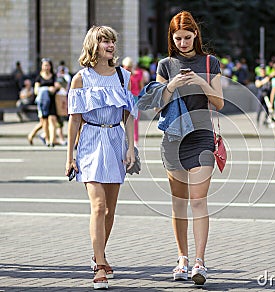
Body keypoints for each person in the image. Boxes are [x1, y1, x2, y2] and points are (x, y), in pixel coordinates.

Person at [141, 10, 223, 286]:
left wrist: (199, 81)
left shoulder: (210, 62)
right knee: (178, 204)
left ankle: (200, 260)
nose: (183, 43)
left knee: (199, 201)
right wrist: (171, 86)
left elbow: (220, 103)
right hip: (174, 139)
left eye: (188, 37)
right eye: (178, 38)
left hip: (202, 138)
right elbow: (156, 104)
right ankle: (182, 258)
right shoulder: (165, 65)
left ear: (195, 36)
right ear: (171, 38)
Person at [65, 25, 137, 290]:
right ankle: (100, 264)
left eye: (112, 41)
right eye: (104, 40)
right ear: (93, 45)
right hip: (90, 142)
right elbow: (74, 121)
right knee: (97, 207)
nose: (110, 45)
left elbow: (128, 115)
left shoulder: (123, 76)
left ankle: (99, 255)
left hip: (116, 140)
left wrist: (130, 147)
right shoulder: (81, 79)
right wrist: (69, 156)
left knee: (110, 210)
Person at [27, 58, 60, 146]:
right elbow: (36, 90)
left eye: (48, 65)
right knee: (44, 122)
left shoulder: (53, 76)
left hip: (52, 101)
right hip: (42, 102)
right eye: (45, 65)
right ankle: (45, 138)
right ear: (42, 66)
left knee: (53, 119)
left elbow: (58, 85)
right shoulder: (39, 77)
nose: (46, 67)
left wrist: (55, 88)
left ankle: (52, 140)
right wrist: (46, 89)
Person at [122, 57, 144, 146]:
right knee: (125, 120)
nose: (128, 69)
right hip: (124, 98)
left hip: (135, 98)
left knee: (135, 120)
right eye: (126, 67)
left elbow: (141, 87)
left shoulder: (138, 74)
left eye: (129, 67)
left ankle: (135, 140)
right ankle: (126, 139)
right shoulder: (121, 74)